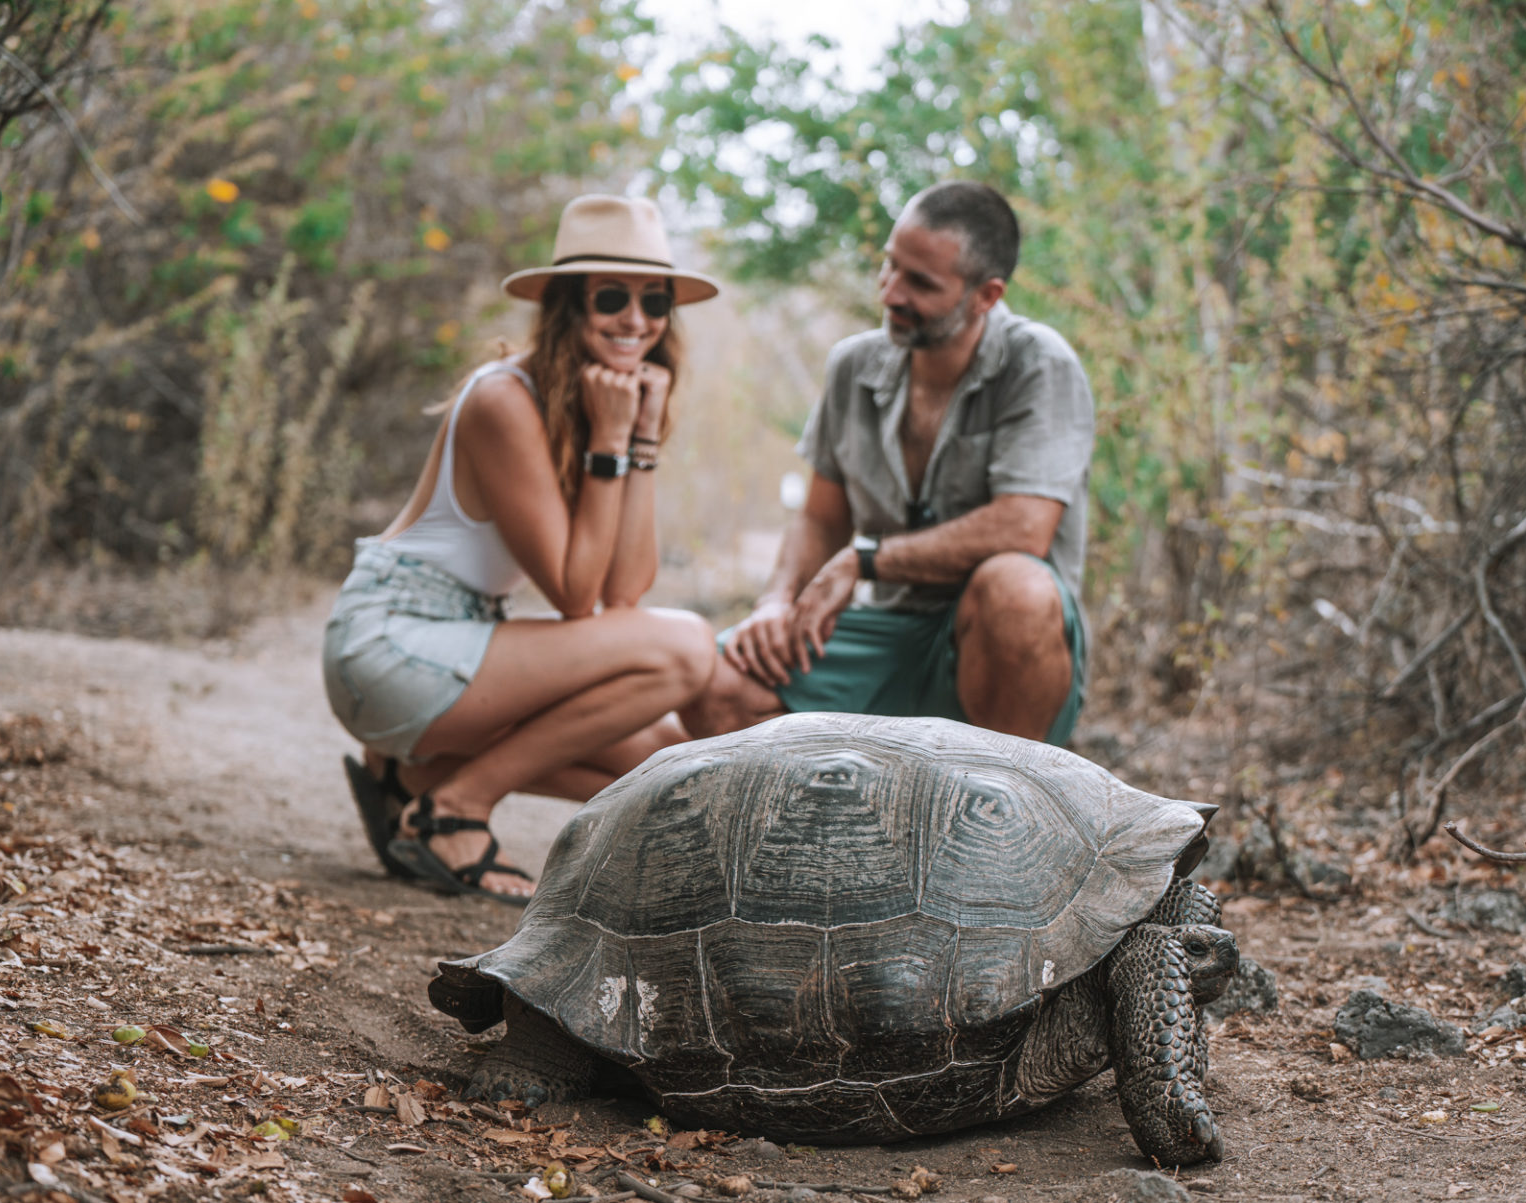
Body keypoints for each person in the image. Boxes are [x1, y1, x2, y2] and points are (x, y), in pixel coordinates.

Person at [322, 194, 717, 905]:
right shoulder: (503, 400)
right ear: (568, 302)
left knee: (655, 752)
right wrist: (607, 442)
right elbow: (575, 597)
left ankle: (409, 782)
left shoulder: (599, 401)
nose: (637, 319)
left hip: (457, 645)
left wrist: (641, 436)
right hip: (391, 644)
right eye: (611, 297)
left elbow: (622, 595)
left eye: (654, 299)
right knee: (686, 648)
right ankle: (456, 807)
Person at [681, 180, 1094, 746]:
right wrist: (775, 602)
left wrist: (866, 560)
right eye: (889, 266)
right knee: (721, 683)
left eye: (920, 283)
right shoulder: (852, 365)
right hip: (887, 633)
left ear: (986, 296)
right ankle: (836, 834)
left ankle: (1011, 815)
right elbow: (821, 518)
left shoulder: (1040, 364)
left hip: (998, 645)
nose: (890, 293)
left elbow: (1024, 527)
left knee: (1015, 587)